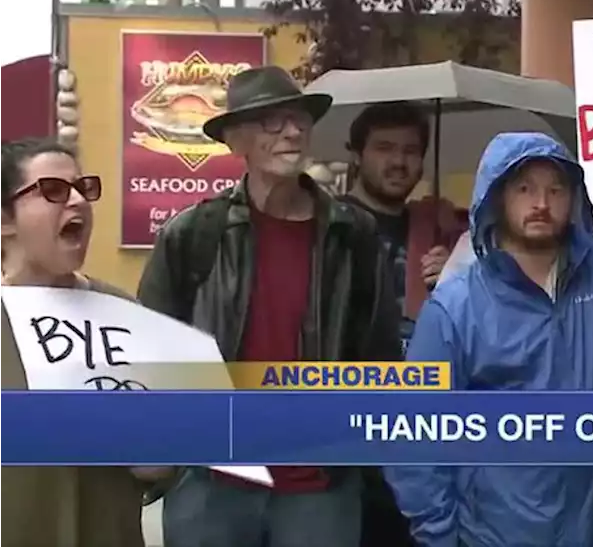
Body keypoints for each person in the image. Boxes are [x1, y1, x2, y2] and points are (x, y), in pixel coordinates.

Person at [137, 66, 402, 547]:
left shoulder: (353, 235)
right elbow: (148, 351)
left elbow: (379, 350)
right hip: (212, 484)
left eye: (299, 119)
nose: (293, 131)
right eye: (271, 122)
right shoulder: (195, 234)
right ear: (235, 142)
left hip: (320, 488)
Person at [386, 132, 593, 547]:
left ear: (574, 198)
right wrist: (440, 536)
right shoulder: (455, 307)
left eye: (555, 189)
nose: (541, 203)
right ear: (497, 197)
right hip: (495, 535)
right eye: (525, 189)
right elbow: (412, 437)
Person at [0, 138, 151, 547]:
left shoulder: (123, 312)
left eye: (83, 189)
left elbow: (157, 466)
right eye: (52, 191)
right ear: (4, 219)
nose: (78, 201)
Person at [338, 102, 467, 547]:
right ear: (356, 153)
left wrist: (458, 273)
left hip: (425, 429)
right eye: (385, 148)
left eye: (411, 150)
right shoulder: (329, 226)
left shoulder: (443, 228)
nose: (399, 161)